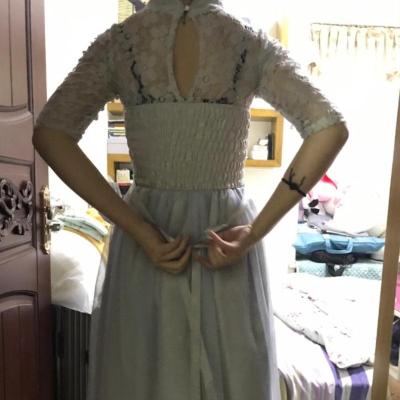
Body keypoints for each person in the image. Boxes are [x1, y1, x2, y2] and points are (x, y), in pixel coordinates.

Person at [32, 0, 348, 398]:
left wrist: (133, 227)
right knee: (234, 374)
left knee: (142, 376)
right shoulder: (247, 42)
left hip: (149, 240)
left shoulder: (121, 42)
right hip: (227, 240)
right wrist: (255, 232)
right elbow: (329, 128)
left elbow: (51, 133)